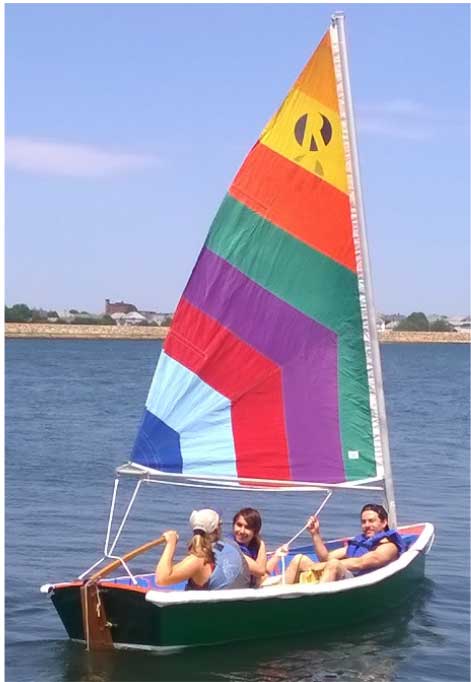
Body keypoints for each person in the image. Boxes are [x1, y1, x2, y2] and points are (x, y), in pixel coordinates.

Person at [282, 503, 405, 584]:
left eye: (371, 521)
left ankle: (314, 603)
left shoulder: (388, 547)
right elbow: (325, 558)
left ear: (384, 523)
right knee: (299, 559)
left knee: (334, 565)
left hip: (358, 583)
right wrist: (315, 534)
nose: (367, 525)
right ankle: (280, 597)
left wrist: (321, 566)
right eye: (363, 522)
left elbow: (360, 563)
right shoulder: (360, 542)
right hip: (342, 576)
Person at [155, 508, 251, 590]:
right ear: (217, 530)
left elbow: (161, 579)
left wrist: (171, 544)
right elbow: (257, 569)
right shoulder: (231, 545)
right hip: (236, 604)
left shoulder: (198, 560)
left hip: (209, 608)